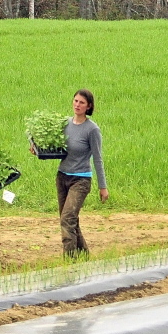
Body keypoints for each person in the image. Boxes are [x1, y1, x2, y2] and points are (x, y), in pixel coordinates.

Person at [56, 88, 109, 259]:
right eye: (76, 101)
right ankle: (84, 256)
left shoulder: (92, 130)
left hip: (81, 180)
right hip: (62, 177)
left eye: (82, 103)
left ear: (89, 107)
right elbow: (55, 148)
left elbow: (98, 159)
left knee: (67, 219)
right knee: (70, 220)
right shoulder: (65, 123)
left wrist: (103, 187)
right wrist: (37, 149)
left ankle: (70, 261)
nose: (77, 105)